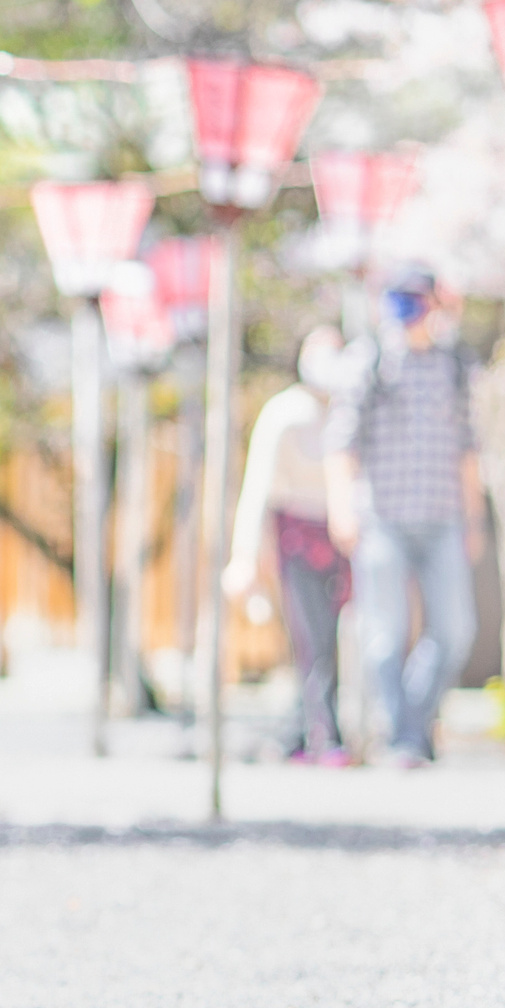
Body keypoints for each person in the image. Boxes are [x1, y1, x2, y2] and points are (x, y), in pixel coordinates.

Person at [326, 269, 482, 768]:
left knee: (455, 630)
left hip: (443, 519)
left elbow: (468, 452)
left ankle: (416, 720)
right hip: (383, 518)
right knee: (383, 634)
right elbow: (342, 445)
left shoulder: (453, 367)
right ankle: (400, 736)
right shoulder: (368, 364)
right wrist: (342, 507)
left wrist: (474, 519)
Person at [224, 326, 353, 763]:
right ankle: (323, 733)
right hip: (297, 537)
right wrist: (245, 555)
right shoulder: (284, 414)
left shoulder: (349, 411)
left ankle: (303, 728)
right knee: (312, 637)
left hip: (343, 537)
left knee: (333, 639)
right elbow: (259, 487)